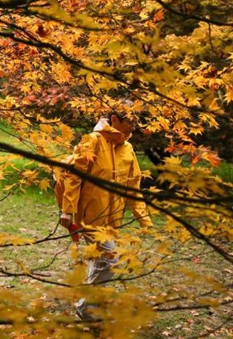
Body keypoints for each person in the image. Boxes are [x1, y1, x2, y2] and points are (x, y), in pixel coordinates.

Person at [57, 111, 153, 320]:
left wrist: (144, 219)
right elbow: (74, 177)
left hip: (113, 219)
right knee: (110, 260)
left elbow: (133, 187)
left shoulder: (128, 149)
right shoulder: (92, 141)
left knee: (100, 260)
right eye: (130, 122)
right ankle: (86, 309)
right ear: (115, 119)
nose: (133, 127)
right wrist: (67, 210)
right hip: (89, 216)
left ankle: (91, 306)